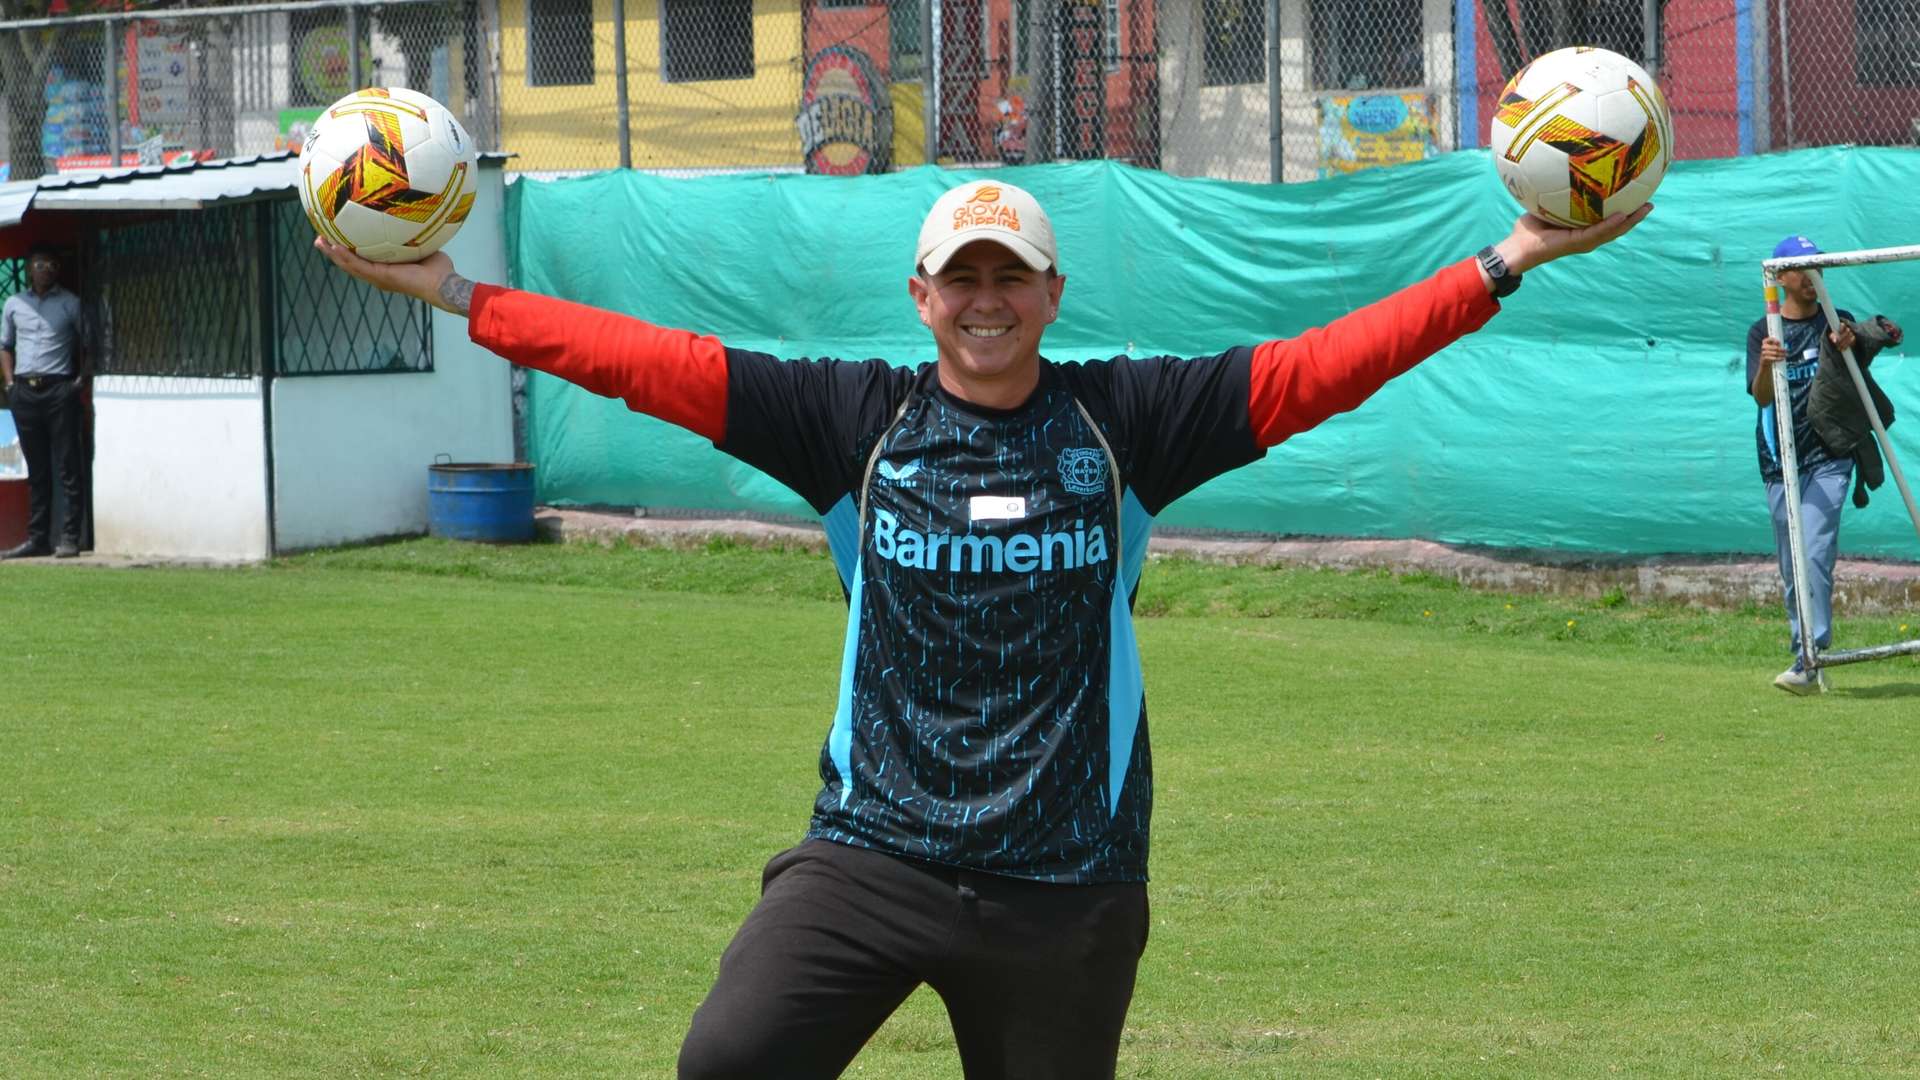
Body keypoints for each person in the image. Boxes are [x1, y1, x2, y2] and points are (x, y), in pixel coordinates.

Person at [317, 179, 1649, 1079]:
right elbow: (645, 363)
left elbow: (1328, 366)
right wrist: (461, 297)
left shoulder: (1128, 423)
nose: (986, 299)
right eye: (962, 278)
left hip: (1066, 885)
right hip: (873, 857)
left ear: (1054, 295)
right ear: (922, 295)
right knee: (726, 1060)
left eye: (1012, 277)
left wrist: (1506, 263)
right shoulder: (853, 422)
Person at [1747, 234, 1903, 696]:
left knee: (1813, 552)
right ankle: (1808, 660)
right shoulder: (1763, 330)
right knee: (1792, 565)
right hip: (1780, 460)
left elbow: (1860, 359)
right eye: (1803, 268)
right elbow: (1760, 397)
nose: (1813, 276)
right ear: (1780, 276)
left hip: (1830, 457)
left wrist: (1851, 343)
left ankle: (1809, 657)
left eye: (1818, 266)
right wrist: (1766, 365)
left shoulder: (1837, 321)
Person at [1, 246, 90, 559]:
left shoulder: (70, 303)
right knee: (37, 468)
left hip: (58, 390)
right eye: (40, 264)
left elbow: (90, 343)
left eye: (52, 264)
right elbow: (5, 345)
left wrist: (78, 383)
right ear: (29, 269)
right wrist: (10, 384)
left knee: (67, 465)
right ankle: (37, 538)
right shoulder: (14, 303)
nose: (46, 269)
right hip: (25, 391)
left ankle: (70, 537)